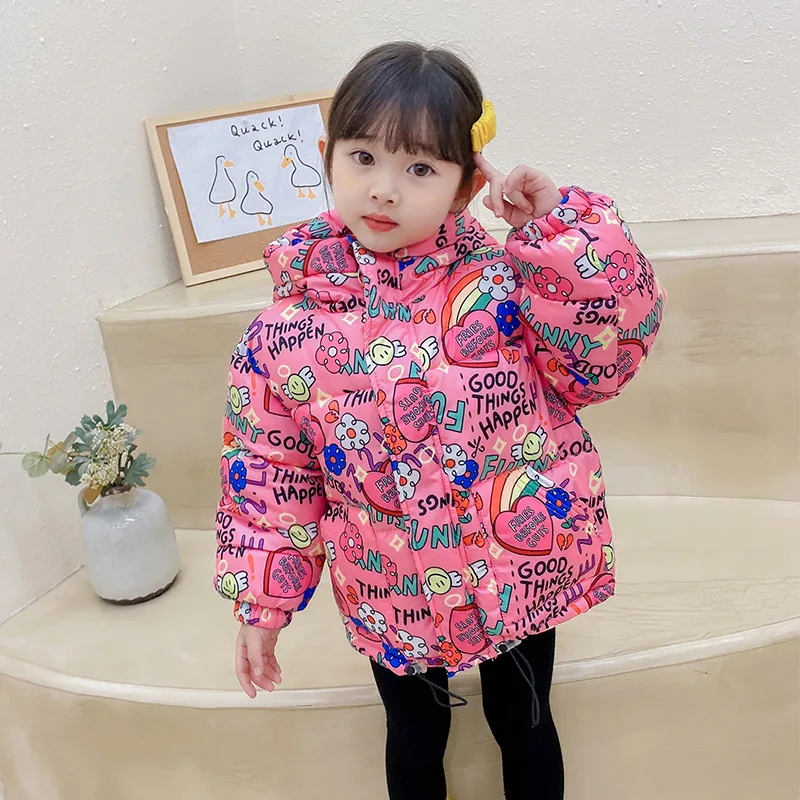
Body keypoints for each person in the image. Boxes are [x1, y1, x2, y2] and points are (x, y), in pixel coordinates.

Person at [214, 41, 665, 800]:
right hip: (389, 578)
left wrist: (558, 234)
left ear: (466, 187)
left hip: (518, 563)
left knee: (525, 723)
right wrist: (264, 602)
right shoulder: (285, 332)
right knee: (414, 738)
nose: (384, 190)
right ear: (327, 158)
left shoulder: (510, 284)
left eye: (421, 168)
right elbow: (268, 474)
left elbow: (606, 355)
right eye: (363, 157)